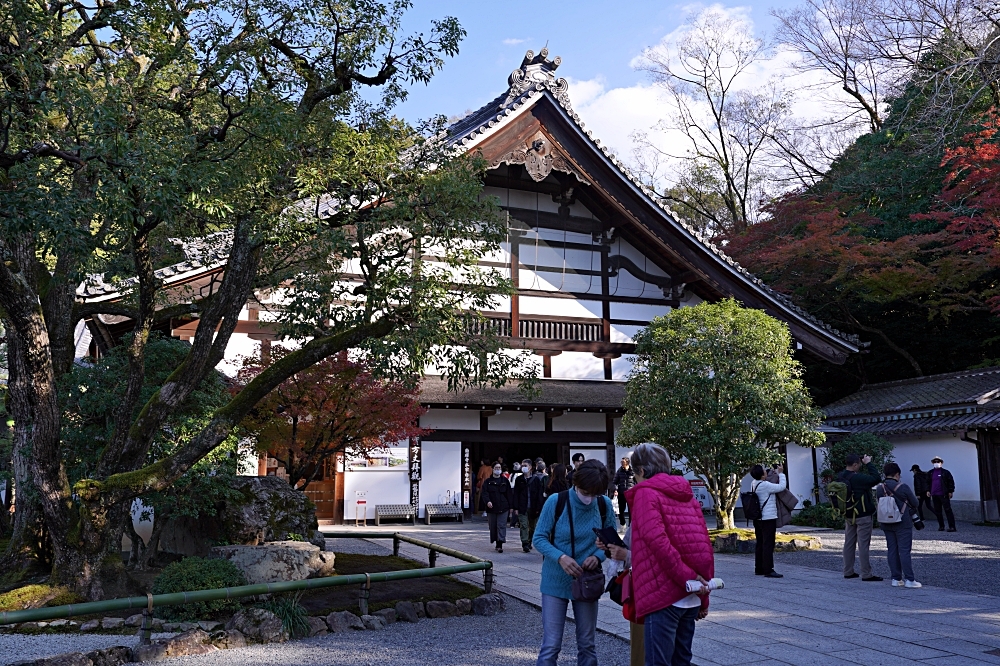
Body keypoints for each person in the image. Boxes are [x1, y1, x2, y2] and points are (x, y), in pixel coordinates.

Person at [604, 442, 713, 666]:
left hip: (664, 593)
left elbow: (658, 543)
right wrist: (703, 594)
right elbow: (703, 547)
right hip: (691, 595)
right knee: (682, 659)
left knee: (658, 661)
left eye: (635, 473)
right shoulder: (687, 495)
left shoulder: (646, 494)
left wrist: (687, 579)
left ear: (642, 471)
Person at [532, 459, 618, 666]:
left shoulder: (603, 504)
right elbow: (539, 538)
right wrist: (560, 557)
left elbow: (611, 542)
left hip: (588, 580)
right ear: (576, 484)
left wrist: (597, 556)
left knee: (587, 644)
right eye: (586, 492)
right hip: (555, 579)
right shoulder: (556, 501)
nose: (589, 498)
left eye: (595, 494)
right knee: (551, 644)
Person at [838, 453, 883, 581]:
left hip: (848, 514)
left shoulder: (840, 476)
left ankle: (848, 571)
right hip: (862, 515)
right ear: (856, 464)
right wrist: (868, 463)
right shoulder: (858, 478)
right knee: (863, 544)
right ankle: (866, 573)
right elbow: (876, 478)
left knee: (849, 543)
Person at [877, 462, 923, 588]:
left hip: (886, 522)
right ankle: (909, 579)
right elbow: (915, 503)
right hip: (903, 522)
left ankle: (895, 579)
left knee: (892, 550)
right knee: (904, 551)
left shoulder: (880, 488)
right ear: (897, 474)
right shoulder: (903, 487)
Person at [749, 463, 785, 578]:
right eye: (764, 471)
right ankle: (769, 569)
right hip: (768, 518)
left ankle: (759, 568)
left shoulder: (754, 483)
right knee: (768, 544)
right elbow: (781, 487)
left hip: (758, 518)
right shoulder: (765, 485)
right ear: (762, 474)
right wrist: (781, 474)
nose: (766, 471)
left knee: (760, 543)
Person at [481, 462, 513, 553]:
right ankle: (495, 541)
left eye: (499, 467)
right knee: (493, 526)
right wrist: (487, 502)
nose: (498, 469)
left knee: (501, 525)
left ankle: (500, 544)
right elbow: (484, 493)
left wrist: (511, 506)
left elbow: (509, 494)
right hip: (492, 507)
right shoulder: (487, 482)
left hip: (503, 506)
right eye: (496, 467)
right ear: (493, 469)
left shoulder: (505, 481)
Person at [928, 456, 957, 532]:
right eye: (935, 462)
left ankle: (952, 527)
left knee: (948, 510)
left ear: (941, 463)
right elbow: (927, 483)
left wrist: (950, 491)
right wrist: (928, 490)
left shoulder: (946, 472)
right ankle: (941, 526)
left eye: (938, 462)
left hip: (944, 494)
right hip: (934, 494)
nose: (936, 463)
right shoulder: (930, 473)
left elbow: (951, 482)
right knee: (938, 511)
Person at [527, 459, 549, 543]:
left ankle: (530, 539)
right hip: (544, 501)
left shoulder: (533, 477)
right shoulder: (547, 478)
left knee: (531, 522)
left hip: (533, 501)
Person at [512, 459, 532, 552]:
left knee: (533, 526)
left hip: (533, 506)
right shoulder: (519, 479)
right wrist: (515, 507)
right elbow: (515, 493)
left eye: (526, 466)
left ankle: (529, 541)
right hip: (522, 506)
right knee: (523, 525)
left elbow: (539, 494)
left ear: (530, 467)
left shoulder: (535, 479)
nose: (524, 468)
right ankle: (525, 543)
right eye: (522, 466)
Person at [611, 456, 636, 528]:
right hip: (621, 493)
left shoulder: (632, 471)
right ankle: (622, 523)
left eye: (623, 462)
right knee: (621, 510)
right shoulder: (619, 471)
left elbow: (636, 482)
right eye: (621, 462)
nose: (621, 463)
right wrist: (615, 490)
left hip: (631, 493)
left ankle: (631, 526)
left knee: (631, 510)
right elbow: (614, 482)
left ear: (627, 462)